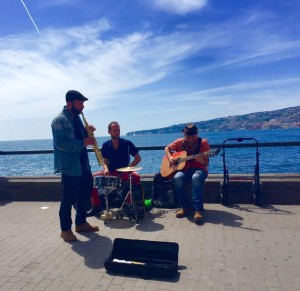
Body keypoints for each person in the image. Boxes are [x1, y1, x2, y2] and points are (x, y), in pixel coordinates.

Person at [51, 90, 99, 242]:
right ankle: (65, 230)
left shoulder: (77, 118)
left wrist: (87, 133)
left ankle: (81, 223)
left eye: (83, 104)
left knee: (85, 193)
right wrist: (83, 143)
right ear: (69, 103)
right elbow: (61, 144)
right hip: (70, 166)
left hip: (83, 163)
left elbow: (80, 137)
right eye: (80, 103)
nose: (82, 107)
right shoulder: (59, 120)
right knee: (69, 198)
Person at [86, 121, 141, 216]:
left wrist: (130, 166)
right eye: (115, 130)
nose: (117, 132)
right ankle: (96, 206)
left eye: (118, 130)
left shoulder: (127, 143)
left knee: (136, 177)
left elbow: (138, 158)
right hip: (111, 171)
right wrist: (105, 168)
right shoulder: (106, 145)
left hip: (124, 171)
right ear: (109, 132)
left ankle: (129, 204)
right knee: (90, 178)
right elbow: (105, 162)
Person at [164, 124, 210, 224]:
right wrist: (170, 158)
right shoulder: (180, 142)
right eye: (188, 137)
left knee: (196, 177)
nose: (190, 139)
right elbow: (167, 148)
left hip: (200, 169)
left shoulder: (203, 143)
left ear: (197, 134)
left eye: (193, 137)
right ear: (184, 135)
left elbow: (206, 163)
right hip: (185, 170)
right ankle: (185, 207)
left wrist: (200, 159)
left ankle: (198, 210)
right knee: (177, 177)